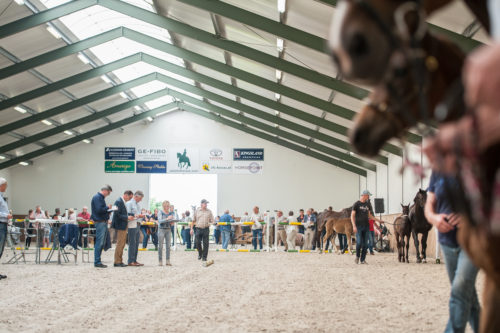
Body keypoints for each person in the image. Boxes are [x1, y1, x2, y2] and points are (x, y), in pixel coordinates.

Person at [425, 172, 480, 332]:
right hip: (446, 242)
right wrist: (434, 218)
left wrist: (470, 216)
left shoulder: (474, 163)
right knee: (469, 297)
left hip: (472, 241)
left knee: (459, 291)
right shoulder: (437, 170)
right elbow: (429, 205)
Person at [351, 190, 383, 264]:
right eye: (368, 195)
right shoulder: (356, 204)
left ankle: (362, 260)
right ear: (364, 195)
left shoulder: (367, 204)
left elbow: (369, 215)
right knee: (359, 243)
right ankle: (357, 256)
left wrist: (378, 220)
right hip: (358, 227)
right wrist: (354, 226)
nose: (368, 197)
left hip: (366, 226)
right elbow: (352, 216)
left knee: (365, 244)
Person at [91, 185, 112, 268]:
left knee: (101, 242)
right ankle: (97, 261)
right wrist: (108, 208)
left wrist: (107, 211)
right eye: (109, 193)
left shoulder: (99, 198)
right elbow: (99, 210)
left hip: (101, 222)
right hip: (100, 222)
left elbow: (100, 210)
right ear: (105, 191)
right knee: (99, 243)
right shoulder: (97, 197)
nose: (108, 195)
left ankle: (98, 261)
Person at [111, 190, 133, 267]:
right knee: (120, 243)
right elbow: (117, 214)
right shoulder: (119, 201)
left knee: (122, 243)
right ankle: (117, 261)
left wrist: (130, 215)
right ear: (126, 195)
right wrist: (127, 217)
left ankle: (119, 260)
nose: (130, 199)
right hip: (120, 225)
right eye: (130, 197)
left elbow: (122, 213)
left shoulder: (121, 201)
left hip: (122, 224)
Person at [191, 199, 215, 267]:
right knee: (197, 242)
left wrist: (215, 223)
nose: (206, 204)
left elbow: (212, 220)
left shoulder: (209, 211)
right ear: (201, 204)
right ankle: (200, 253)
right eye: (205, 203)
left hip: (206, 229)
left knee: (206, 244)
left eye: (206, 203)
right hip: (198, 228)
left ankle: (204, 257)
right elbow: (193, 220)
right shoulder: (197, 211)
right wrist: (191, 229)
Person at [126, 190, 145, 267]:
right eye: (140, 198)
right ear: (136, 196)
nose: (141, 200)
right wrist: (138, 215)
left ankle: (134, 260)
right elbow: (128, 214)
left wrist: (141, 216)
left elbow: (137, 214)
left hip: (138, 224)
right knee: (132, 243)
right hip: (132, 225)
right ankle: (130, 261)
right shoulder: (129, 203)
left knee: (136, 243)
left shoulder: (138, 205)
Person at [0, 178, 12, 280]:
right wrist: (6, 215)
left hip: (3, 224)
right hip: (0, 224)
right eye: (5, 185)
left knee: (1, 249)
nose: (6, 187)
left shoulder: (1, 197)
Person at [158, 200, 175, 266]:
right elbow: (160, 221)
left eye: (168, 206)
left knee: (168, 246)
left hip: (168, 229)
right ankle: (160, 261)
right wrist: (167, 219)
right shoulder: (160, 212)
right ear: (163, 206)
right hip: (161, 229)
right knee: (160, 246)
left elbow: (171, 222)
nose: (168, 207)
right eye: (166, 206)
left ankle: (168, 261)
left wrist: (172, 222)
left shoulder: (171, 213)